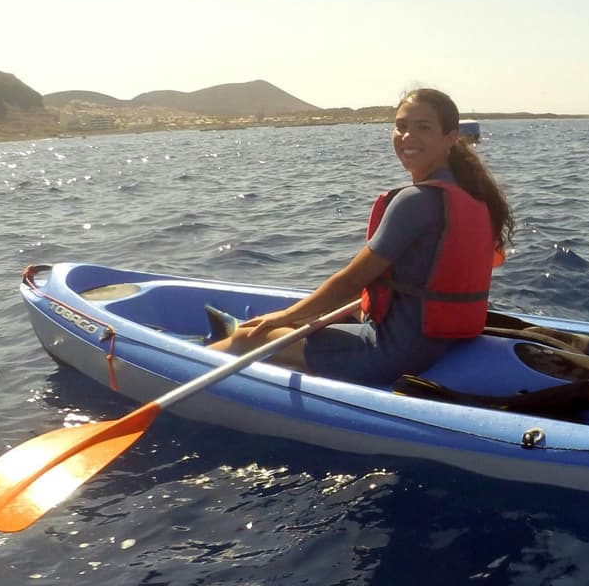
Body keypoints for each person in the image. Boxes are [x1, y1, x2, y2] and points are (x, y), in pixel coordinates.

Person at [208, 88, 513, 386]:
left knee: (250, 338)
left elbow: (349, 282)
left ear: (450, 136)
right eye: (401, 126)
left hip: (391, 356)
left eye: (423, 127)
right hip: (442, 344)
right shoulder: (474, 196)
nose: (407, 137)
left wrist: (281, 317)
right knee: (342, 311)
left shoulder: (416, 200)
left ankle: (197, 356)